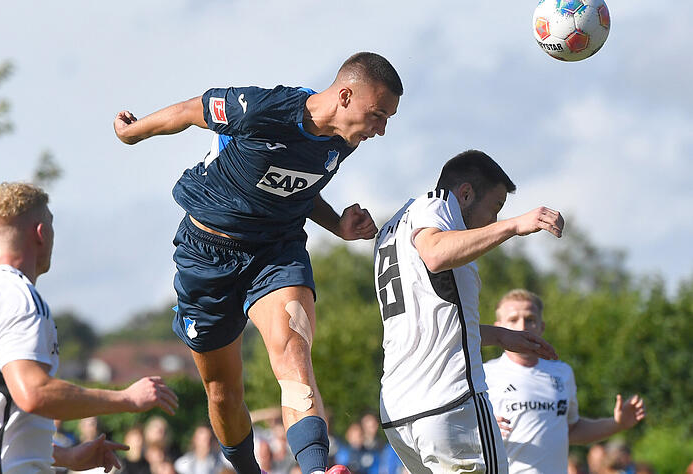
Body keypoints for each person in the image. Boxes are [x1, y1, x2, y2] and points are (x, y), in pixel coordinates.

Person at [113, 52, 402, 474]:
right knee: (222, 393)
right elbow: (191, 110)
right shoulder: (264, 110)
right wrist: (132, 133)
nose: (381, 129)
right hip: (206, 254)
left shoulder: (344, 140)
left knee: (294, 354)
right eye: (378, 115)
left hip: (275, 252)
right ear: (345, 96)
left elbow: (296, 190)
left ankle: (316, 469)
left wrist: (338, 225)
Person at [0, 182, 179, 473]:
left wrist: (67, 457)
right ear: (40, 233)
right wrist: (126, 398)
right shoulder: (18, 297)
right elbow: (34, 393)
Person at [372, 150, 564, 473]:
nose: (495, 220)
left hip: (400, 412)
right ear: (465, 194)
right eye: (496, 207)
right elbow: (435, 253)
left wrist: (501, 336)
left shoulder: (393, 227)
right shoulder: (436, 204)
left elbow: (433, 325)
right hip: (449, 401)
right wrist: (515, 225)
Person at [484, 289, 647, 474]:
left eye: (530, 319)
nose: (522, 326)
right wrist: (476, 430)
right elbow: (458, 432)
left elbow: (571, 429)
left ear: (541, 326)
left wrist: (617, 424)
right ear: (498, 328)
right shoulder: (483, 374)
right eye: (513, 320)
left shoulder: (562, 372)